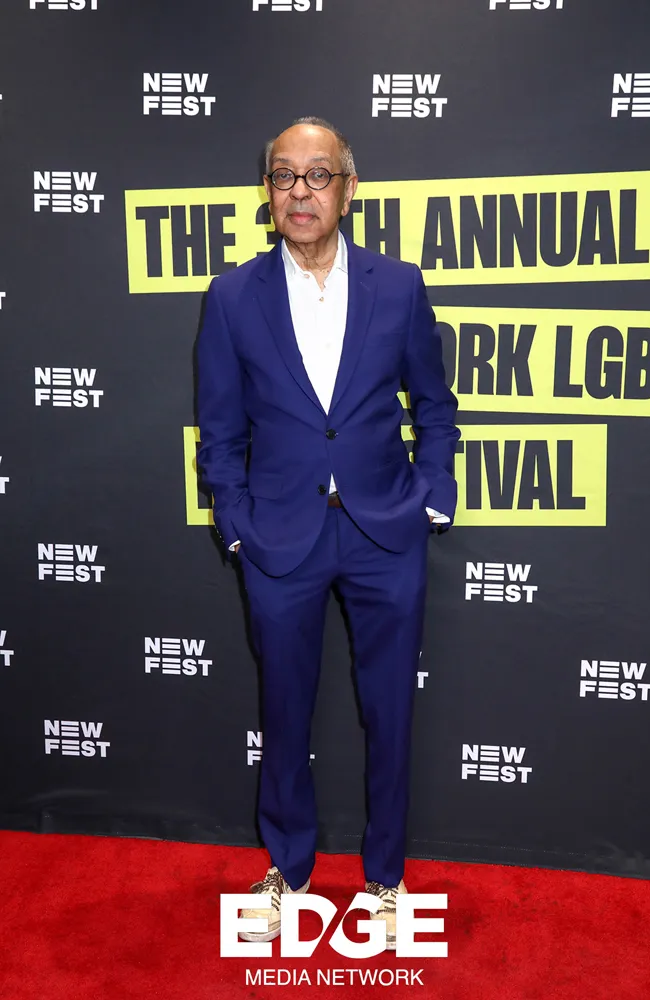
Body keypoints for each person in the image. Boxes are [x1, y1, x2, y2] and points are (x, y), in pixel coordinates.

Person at [196, 116, 460, 950]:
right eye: (284, 175)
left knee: (390, 712)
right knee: (283, 711)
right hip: (279, 538)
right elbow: (219, 432)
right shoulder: (232, 296)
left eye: (318, 175)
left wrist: (433, 494)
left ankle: (385, 879)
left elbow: (435, 407)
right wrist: (235, 523)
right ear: (267, 191)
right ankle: (290, 869)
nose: (300, 191)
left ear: (348, 189)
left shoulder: (399, 285)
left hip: (386, 531)